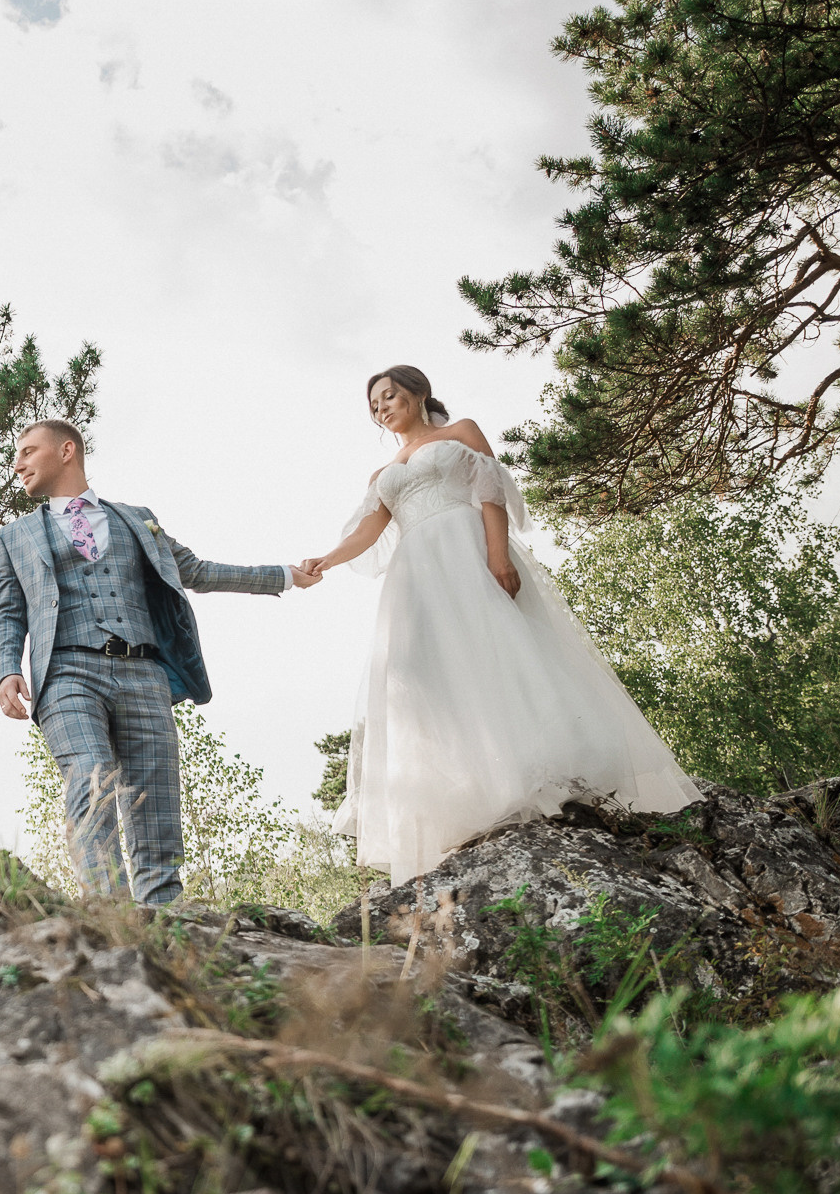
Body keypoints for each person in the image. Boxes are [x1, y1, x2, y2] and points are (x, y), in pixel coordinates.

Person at [297, 365, 700, 883]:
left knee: (505, 653)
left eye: (390, 395)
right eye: (374, 405)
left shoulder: (459, 432)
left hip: (467, 550)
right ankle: (477, 793)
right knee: (437, 677)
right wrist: (323, 561)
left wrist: (496, 556)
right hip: (418, 576)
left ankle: (549, 777)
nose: (382, 408)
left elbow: (490, 493)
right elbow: (370, 530)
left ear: (418, 394)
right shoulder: (382, 476)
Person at [0, 419, 320, 904]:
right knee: (89, 771)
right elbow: (7, 610)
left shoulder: (135, 518)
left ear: (66, 451)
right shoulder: (13, 537)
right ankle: (108, 909)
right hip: (66, 672)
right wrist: (6, 669)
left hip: (144, 671)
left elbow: (198, 572)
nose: (16, 464)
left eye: (26, 451)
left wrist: (285, 575)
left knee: (156, 798)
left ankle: (164, 916)